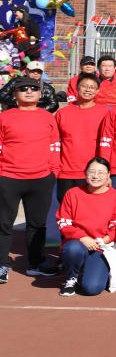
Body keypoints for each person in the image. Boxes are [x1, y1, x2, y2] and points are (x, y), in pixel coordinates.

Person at [0, 75, 61, 282]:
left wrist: (53, 172)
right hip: (8, 177)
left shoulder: (47, 117)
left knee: (37, 224)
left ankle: (35, 263)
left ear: (39, 94)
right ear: (15, 94)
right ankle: (2, 264)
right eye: (23, 88)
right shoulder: (4, 117)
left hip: (41, 178)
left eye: (33, 88)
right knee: (4, 223)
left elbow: (55, 146)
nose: (29, 91)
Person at [55, 157, 116, 297]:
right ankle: (71, 278)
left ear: (108, 175)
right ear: (85, 173)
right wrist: (82, 237)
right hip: (78, 243)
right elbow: (63, 222)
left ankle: (88, 269)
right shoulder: (73, 193)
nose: (95, 176)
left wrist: (103, 240)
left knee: (92, 288)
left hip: (101, 247)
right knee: (72, 249)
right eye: (91, 172)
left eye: (101, 172)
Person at [54, 74, 106, 203]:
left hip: (92, 172)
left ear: (97, 91)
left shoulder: (104, 113)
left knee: (89, 208)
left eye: (92, 87)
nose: (88, 90)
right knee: (66, 208)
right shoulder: (62, 113)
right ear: (77, 88)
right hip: (66, 172)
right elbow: (54, 142)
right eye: (84, 86)